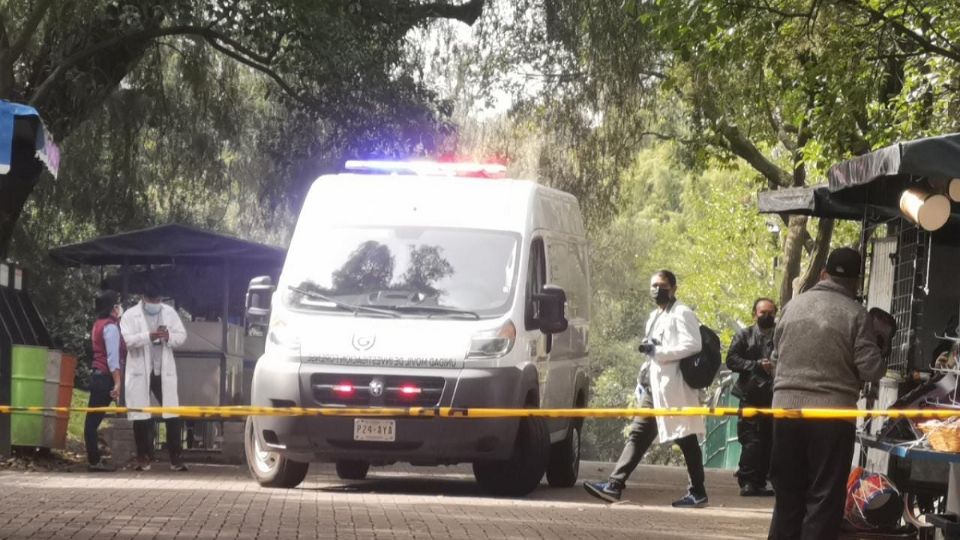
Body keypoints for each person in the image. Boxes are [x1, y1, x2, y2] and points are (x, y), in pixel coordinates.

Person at [768, 247, 891, 539]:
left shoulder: (792, 307)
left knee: (787, 496)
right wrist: (882, 350)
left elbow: (775, 357)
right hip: (832, 416)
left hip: (785, 411)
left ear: (823, 273)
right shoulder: (856, 314)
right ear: (856, 282)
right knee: (823, 498)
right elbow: (870, 368)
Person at [584, 269, 708, 508]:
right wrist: (642, 378)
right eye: (653, 285)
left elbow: (693, 344)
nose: (656, 290)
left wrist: (660, 353)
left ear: (673, 288)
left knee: (685, 436)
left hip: (674, 386)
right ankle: (614, 485)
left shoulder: (682, 312)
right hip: (653, 388)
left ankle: (698, 491)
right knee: (639, 434)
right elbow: (650, 352)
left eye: (661, 285)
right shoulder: (654, 316)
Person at [119, 281, 188, 471]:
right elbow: (127, 341)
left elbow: (182, 336)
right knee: (140, 415)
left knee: (172, 413)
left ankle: (176, 459)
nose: (155, 303)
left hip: (162, 370)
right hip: (141, 371)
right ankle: (143, 457)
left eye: (158, 300)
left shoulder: (169, 312)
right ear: (143, 299)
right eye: (152, 300)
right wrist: (147, 336)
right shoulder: (130, 315)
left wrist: (168, 337)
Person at [726, 297, 777, 496]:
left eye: (771, 312)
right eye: (762, 312)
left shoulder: (780, 335)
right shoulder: (744, 335)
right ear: (754, 313)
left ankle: (761, 482)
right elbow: (731, 359)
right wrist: (755, 365)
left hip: (774, 397)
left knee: (769, 440)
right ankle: (746, 480)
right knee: (751, 440)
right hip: (750, 395)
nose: (767, 316)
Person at [84, 290, 125, 472]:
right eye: (116, 305)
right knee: (91, 424)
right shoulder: (110, 327)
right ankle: (94, 461)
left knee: (91, 422)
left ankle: (94, 459)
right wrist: (117, 383)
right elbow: (112, 358)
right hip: (105, 378)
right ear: (111, 309)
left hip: (97, 375)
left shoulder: (97, 325)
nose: (119, 308)